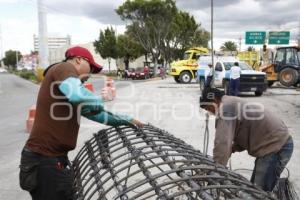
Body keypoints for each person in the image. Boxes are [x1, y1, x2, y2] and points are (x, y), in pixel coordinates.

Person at [19, 46, 144, 200]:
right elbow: (80, 96)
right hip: (44, 160)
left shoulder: (65, 85)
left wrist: (127, 120)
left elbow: (97, 114)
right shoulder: (64, 68)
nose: (90, 74)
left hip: (51, 159)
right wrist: (98, 100)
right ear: (78, 60)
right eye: (90, 67)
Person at [199, 87, 293, 192]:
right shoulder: (230, 102)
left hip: (276, 147)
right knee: (255, 189)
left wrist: (216, 170)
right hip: (275, 144)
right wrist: (232, 148)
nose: (210, 112)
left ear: (215, 100)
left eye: (208, 108)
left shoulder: (226, 109)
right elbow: (246, 132)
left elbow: (222, 143)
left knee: (259, 192)